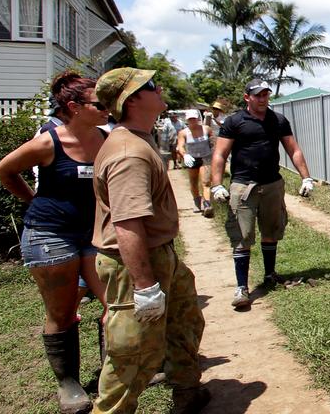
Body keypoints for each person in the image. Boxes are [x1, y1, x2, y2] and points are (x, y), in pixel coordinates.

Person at [91, 68, 208, 414]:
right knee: (135, 351)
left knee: (184, 322)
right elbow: (127, 224)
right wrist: (144, 286)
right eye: (151, 86)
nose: (159, 89)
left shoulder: (138, 139)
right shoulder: (129, 152)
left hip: (159, 254)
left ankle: (188, 391)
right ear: (134, 98)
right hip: (137, 263)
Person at [0, 72, 110, 414]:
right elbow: (5, 171)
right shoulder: (48, 142)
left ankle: (112, 370)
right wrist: (32, 200)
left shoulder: (106, 139)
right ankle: (69, 383)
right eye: (100, 103)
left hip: (93, 233)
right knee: (61, 312)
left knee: (113, 302)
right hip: (50, 234)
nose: (107, 109)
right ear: (74, 107)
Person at [210, 80, 317, 310]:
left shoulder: (277, 120)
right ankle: (241, 287)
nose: (262, 99)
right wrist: (217, 184)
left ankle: (269, 275)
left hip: (272, 185)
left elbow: (293, 149)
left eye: (265, 94)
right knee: (242, 236)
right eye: (257, 95)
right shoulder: (234, 122)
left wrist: (306, 177)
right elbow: (220, 154)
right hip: (242, 187)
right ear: (247, 97)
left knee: (271, 231)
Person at [176, 110, 214, 218]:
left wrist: (215, 155)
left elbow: (213, 142)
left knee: (205, 181)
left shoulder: (206, 129)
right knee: (193, 182)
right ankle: (197, 201)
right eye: (190, 119)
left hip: (205, 157)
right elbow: (181, 146)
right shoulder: (183, 133)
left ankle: (207, 204)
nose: (192, 121)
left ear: (198, 118)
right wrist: (184, 155)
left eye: (194, 118)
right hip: (191, 158)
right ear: (187, 120)